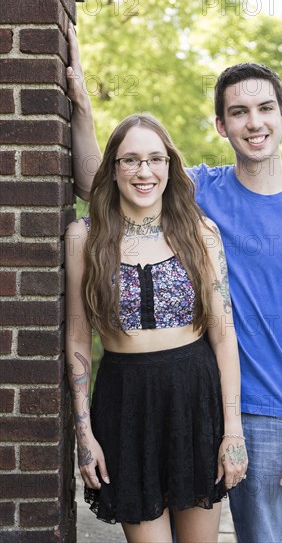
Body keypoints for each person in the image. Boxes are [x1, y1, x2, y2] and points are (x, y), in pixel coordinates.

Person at [66, 24, 282, 543]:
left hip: (266, 413)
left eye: (265, 108)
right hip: (189, 396)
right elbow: (108, 183)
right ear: (221, 125)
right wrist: (81, 104)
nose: (254, 122)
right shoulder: (198, 193)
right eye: (238, 112)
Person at [65, 111, 248, 543]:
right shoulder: (84, 237)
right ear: (113, 168)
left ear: (170, 165)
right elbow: (76, 336)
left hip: (194, 398)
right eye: (131, 160)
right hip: (124, 403)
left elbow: (224, 336)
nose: (144, 171)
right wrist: (83, 431)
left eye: (155, 159)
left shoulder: (199, 232)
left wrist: (232, 431)